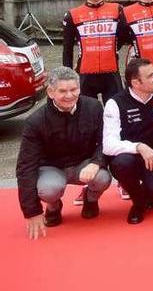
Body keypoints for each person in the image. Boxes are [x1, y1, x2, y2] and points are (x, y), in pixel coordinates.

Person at [16, 67, 111, 239]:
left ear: (80, 88)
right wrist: (32, 211)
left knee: (103, 178)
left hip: (84, 163)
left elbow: (105, 141)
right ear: (50, 92)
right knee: (48, 190)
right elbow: (26, 166)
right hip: (52, 168)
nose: (69, 95)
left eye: (73, 89)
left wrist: (96, 163)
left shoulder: (94, 107)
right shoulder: (35, 121)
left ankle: (90, 200)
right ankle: (53, 207)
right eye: (62, 91)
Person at [103, 58, 153, 224]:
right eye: (151, 76)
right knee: (121, 164)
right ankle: (138, 203)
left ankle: (148, 193)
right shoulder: (115, 103)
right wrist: (139, 147)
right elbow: (108, 144)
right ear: (136, 82)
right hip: (128, 155)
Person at [62, 0, 125, 102]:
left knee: (115, 115)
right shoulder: (72, 15)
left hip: (112, 75)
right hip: (85, 75)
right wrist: (66, 77)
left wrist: (111, 48)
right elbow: (67, 49)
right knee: (87, 117)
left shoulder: (118, 10)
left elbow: (124, 37)